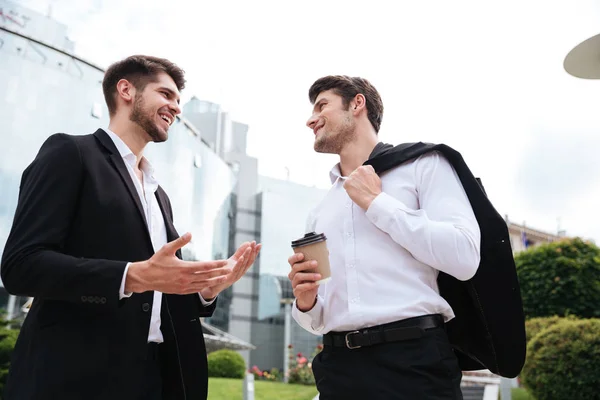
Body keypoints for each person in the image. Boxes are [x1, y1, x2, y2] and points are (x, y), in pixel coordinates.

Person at [1, 55, 260, 400]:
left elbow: (160, 287)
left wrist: (206, 288)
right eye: (166, 95)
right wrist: (131, 276)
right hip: (76, 376)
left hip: (153, 376)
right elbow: (21, 266)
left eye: (178, 100)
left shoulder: (159, 195)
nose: (176, 108)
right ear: (126, 90)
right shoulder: (71, 153)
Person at [287, 75, 481, 399]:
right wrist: (306, 303)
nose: (310, 119)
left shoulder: (424, 165)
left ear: (357, 103)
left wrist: (378, 204)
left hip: (415, 364)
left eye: (322, 105)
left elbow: (464, 257)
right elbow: (318, 320)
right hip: (338, 369)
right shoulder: (320, 213)